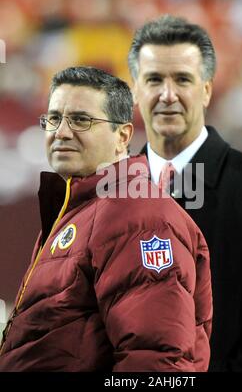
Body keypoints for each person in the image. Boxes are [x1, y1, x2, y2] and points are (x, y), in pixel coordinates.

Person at [0, 66, 212, 372]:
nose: (61, 132)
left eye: (81, 120)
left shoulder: (138, 215)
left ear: (122, 135)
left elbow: (158, 360)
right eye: (54, 118)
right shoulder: (84, 209)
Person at [128, 15, 242, 371]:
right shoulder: (109, 192)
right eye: (154, 79)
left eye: (183, 80)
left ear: (207, 89)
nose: (167, 94)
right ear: (135, 90)